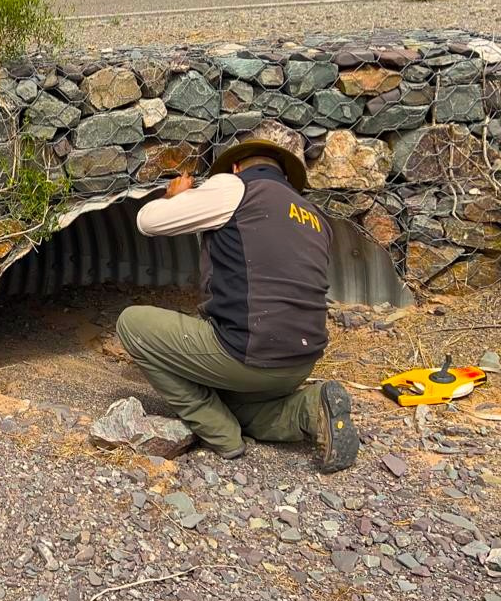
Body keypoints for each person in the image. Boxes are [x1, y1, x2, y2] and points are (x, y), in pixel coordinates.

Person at [116, 130, 359, 473]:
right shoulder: (313, 213)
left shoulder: (236, 188)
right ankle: (310, 406)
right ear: (286, 175)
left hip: (248, 352)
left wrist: (177, 198)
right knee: (240, 405)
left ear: (235, 168)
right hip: (299, 362)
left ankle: (220, 434)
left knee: (132, 324)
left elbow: (148, 222)